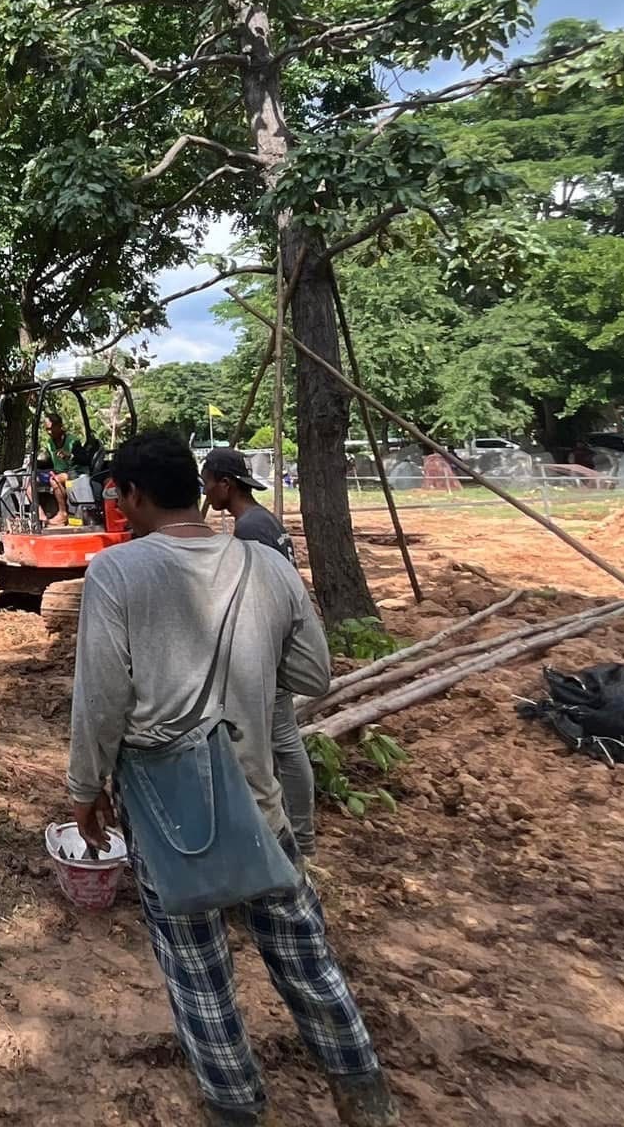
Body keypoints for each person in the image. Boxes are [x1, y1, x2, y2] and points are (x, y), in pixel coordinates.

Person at [68, 433, 396, 1127]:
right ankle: (362, 1093)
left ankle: (237, 1108)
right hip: (259, 799)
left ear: (131, 494)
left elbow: (101, 698)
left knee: (199, 975)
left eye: (116, 495)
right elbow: (313, 675)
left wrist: (85, 787)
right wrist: (247, 684)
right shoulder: (266, 565)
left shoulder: (116, 573)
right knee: (306, 956)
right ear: (197, 485)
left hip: (167, 811)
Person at [202, 446, 315, 859]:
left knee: (281, 743)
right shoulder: (263, 520)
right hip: (281, 641)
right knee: (282, 742)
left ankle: (296, 837)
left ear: (226, 484)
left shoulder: (250, 530)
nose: (206, 490)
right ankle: (296, 830)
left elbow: (258, 595)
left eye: (208, 482)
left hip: (269, 648)